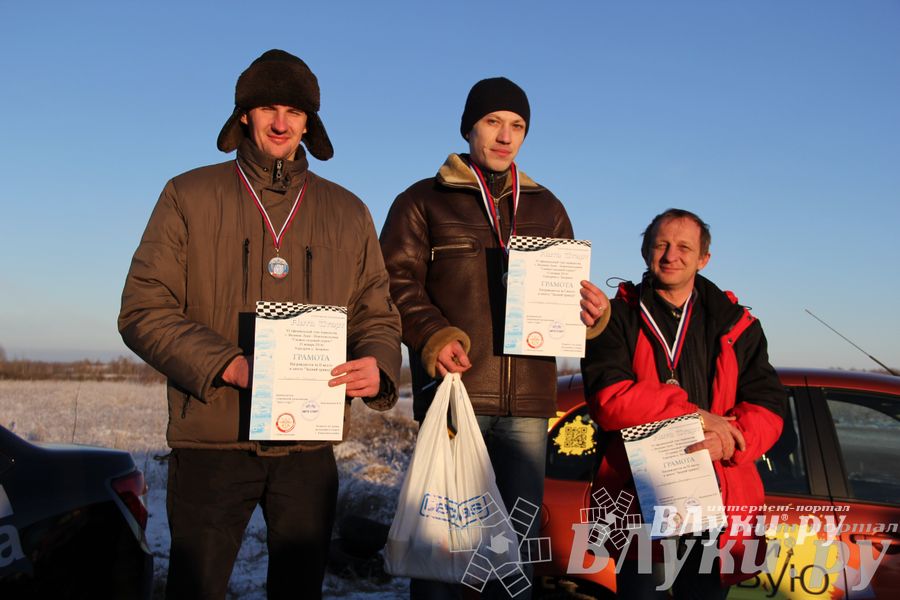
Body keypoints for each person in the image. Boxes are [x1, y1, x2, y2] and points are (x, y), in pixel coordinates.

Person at [118, 49, 401, 600]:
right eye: (268, 108)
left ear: (309, 122)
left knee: (299, 591)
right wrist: (227, 363)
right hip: (212, 437)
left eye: (294, 112)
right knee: (195, 588)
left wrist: (379, 365)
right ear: (244, 114)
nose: (280, 123)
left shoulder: (348, 210)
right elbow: (142, 307)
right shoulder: (189, 195)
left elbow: (377, 310)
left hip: (307, 448)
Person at [380, 77, 609, 599]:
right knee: (444, 548)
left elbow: (564, 293)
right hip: (457, 396)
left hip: (529, 407)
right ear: (468, 128)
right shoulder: (423, 200)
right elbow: (392, 282)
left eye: (517, 126)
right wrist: (433, 334)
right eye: (493, 122)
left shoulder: (547, 206)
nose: (505, 136)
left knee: (515, 553)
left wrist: (590, 315)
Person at [581, 209, 786, 599]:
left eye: (684, 247)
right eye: (661, 245)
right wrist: (696, 414)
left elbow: (769, 405)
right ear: (645, 251)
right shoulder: (614, 316)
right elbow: (610, 401)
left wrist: (731, 439)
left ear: (703, 258)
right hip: (639, 496)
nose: (671, 255)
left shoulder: (738, 324)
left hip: (715, 497)